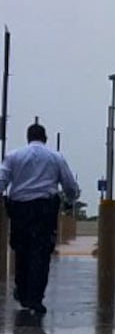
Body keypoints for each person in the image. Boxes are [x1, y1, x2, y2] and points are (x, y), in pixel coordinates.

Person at [0, 123, 80, 316]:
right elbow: (69, 185)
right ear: (45, 137)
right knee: (41, 254)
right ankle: (35, 298)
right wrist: (72, 198)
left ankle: (23, 290)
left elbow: (2, 181)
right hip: (44, 210)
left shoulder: (13, 156)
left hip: (19, 209)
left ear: (28, 137)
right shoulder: (55, 157)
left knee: (21, 251)